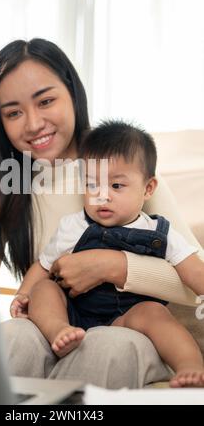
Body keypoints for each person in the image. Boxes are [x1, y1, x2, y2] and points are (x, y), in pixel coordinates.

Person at [0, 38, 204, 388]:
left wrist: (112, 265)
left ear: (72, 95)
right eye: (13, 112)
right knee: (12, 337)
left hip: (128, 326)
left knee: (109, 347)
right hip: (59, 324)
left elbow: (190, 284)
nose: (32, 124)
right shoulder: (7, 190)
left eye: (46, 101)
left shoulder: (126, 173)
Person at [11, 120, 204, 387]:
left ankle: (190, 367)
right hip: (75, 314)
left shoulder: (160, 231)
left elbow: (193, 270)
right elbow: (43, 266)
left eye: (116, 186)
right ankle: (58, 332)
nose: (102, 196)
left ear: (147, 189)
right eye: (92, 185)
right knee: (44, 289)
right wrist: (24, 294)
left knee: (155, 314)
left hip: (128, 318)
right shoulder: (73, 225)